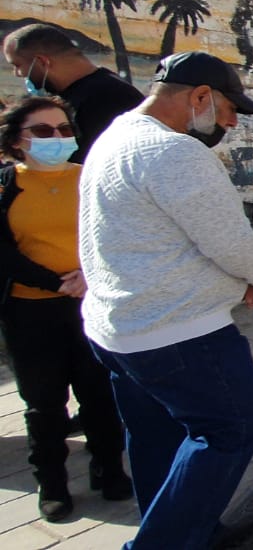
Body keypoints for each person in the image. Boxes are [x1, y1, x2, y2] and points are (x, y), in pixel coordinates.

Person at [79, 51, 253, 550]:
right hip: (178, 333)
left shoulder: (117, 135)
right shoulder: (175, 153)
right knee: (231, 428)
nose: (232, 122)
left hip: (119, 327)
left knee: (156, 437)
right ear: (199, 97)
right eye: (230, 109)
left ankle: (192, 527)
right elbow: (230, 240)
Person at [0, 97, 132, 522]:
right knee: (44, 403)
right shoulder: (5, 186)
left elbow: (119, 230)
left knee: (101, 394)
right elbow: (3, 252)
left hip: (93, 304)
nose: (57, 138)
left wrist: (88, 276)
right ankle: (52, 483)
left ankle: (108, 468)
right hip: (31, 312)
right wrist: (57, 281)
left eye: (63, 129)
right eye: (43, 131)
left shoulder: (92, 176)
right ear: (18, 141)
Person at [3, 22, 144, 163]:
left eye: (17, 65)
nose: (17, 74)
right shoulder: (74, 94)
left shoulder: (109, 98)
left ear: (42, 62)